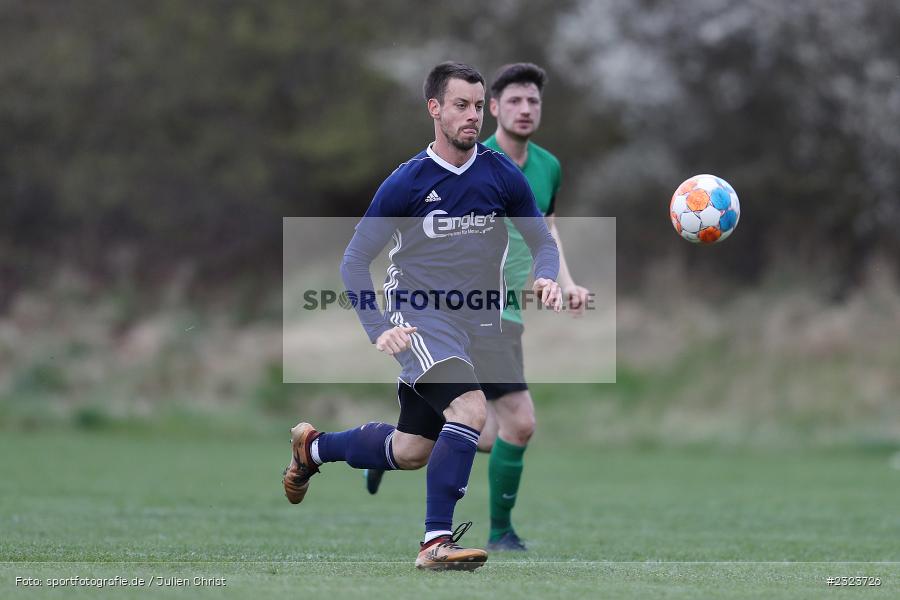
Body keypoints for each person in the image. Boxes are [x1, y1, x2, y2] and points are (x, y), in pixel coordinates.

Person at [282, 62, 562, 571]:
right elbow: (352, 261)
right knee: (472, 414)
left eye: (478, 106)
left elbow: (542, 239)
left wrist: (545, 275)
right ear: (435, 109)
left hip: (475, 322)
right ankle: (435, 543)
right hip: (418, 314)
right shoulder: (407, 182)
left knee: (411, 451)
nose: (472, 116)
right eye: (461, 106)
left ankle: (314, 449)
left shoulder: (502, 176)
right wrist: (378, 327)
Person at [365, 62, 589, 552]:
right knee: (495, 417)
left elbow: (544, 233)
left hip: (498, 313)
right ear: (493, 108)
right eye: (513, 101)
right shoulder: (442, 167)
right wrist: (382, 321)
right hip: (445, 314)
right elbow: (362, 256)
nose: (524, 109)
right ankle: (472, 535)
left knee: (445, 436)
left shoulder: (538, 168)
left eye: (533, 101)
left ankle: (363, 450)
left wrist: (558, 280)